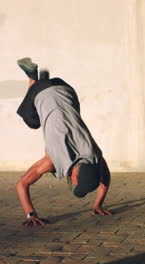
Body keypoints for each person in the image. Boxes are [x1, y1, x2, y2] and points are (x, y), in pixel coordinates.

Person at [15, 57, 112, 227]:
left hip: (66, 89)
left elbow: (105, 180)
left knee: (66, 111)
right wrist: (31, 215)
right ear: (75, 175)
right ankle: (33, 77)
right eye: (76, 184)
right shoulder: (52, 161)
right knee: (32, 122)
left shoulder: (96, 156)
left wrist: (98, 204)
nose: (74, 186)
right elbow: (21, 184)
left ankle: (45, 80)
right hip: (41, 92)